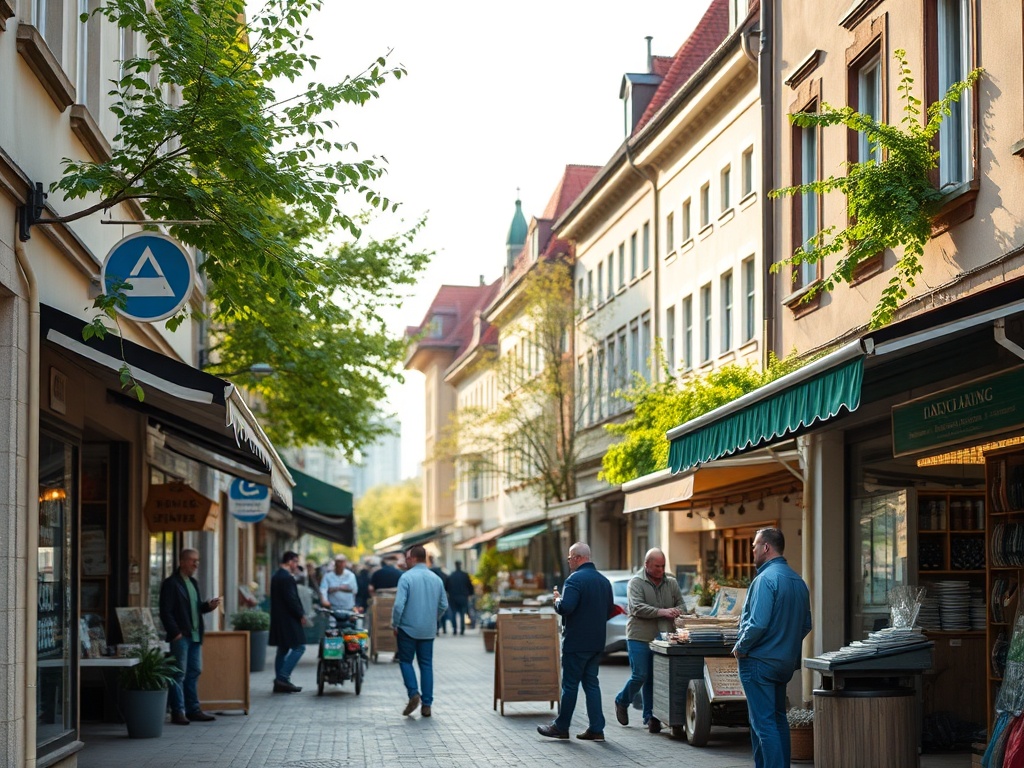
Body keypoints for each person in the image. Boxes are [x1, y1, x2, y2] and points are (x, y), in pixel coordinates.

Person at [732, 528, 812, 768]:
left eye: (755, 546)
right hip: (783, 663)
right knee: (777, 721)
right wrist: (785, 644)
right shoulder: (797, 580)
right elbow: (806, 625)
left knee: (763, 725)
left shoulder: (765, 579)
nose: (752, 551)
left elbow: (756, 624)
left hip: (759, 662)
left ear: (766, 548)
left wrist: (740, 647)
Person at [538, 542, 613, 742]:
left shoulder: (574, 580)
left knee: (570, 686)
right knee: (591, 684)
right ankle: (597, 729)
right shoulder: (604, 581)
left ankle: (561, 727)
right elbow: (609, 610)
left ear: (578, 558)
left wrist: (556, 601)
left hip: (576, 643)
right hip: (597, 643)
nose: (569, 561)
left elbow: (566, 607)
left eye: (570, 558)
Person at [613, 547, 683, 734]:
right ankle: (622, 700)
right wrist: (663, 612)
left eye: (662, 566)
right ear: (647, 565)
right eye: (657, 566)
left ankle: (651, 717)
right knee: (641, 675)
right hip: (639, 636)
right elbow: (636, 608)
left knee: (655, 678)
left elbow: (682, 604)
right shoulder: (635, 583)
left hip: (663, 638)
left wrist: (678, 611)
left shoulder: (672, 582)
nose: (661, 570)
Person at [158, 548, 222, 725]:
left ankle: (193, 709)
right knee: (179, 674)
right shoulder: (171, 583)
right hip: (182, 637)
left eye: (197, 560)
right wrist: (176, 633)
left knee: (194, 672)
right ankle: (178, 711)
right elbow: (165, 611)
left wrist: (208, 606)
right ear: (182, 561)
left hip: (195, 636)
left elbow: (195, 608)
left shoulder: (193, 582)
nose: (196, 564)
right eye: (193, 560)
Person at [392, 544, 448, 717]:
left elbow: (399, 605)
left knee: (405, 661)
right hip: (428, 629)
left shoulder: (406, 578)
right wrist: (433, 619)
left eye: (408, 558)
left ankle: (413, 693)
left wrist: (396, 623)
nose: (406, 561)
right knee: (426, 665)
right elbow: (444, 605)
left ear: (414, 558)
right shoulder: (436, 579)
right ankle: (427, 705)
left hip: (407, 628)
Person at [270, 550, 310, 693]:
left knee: (283, 649)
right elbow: (291, 598)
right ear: (289, 562)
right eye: (296, 562)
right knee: (300, 647)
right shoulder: (287, 577)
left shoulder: (276, 576)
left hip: (279, 618)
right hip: (288, 619)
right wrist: (301, 614)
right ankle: (282, 677)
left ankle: (280, 683)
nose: (297, 565)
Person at [446, 561, 474, 636]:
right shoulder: (465, 575)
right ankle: (462, 629)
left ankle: (455, 629)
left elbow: (447, 587)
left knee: (454, 613)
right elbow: (470, 586)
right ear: (460, 565)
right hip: (463, 597)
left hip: (453, 597)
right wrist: (470, 594)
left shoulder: (451, 576)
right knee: (462, 613)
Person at [428, 556, 451, 634]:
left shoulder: (430, 574)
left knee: (434, 612)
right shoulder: (443, 575)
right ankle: (444, 628)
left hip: (432, 595)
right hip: (442, 594)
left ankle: (436, 628)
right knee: (443, 612)